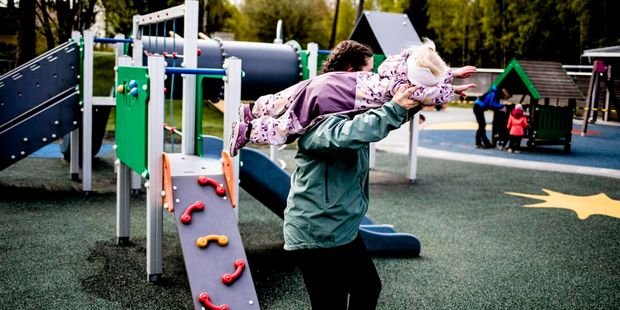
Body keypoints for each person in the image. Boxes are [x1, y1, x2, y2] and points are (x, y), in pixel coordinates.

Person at [286, 84, 421, 309]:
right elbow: (349, 133)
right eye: (368, 73)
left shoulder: (350, 114)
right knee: (333, 301)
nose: (374, 83)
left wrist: (423, 97)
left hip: (338, 227)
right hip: (318, 230)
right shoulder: (320, 121)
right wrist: (394, 108)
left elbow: (378, 120)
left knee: (367, 286)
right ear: (349, 77)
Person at [228, 39, 477, 156]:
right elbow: (433, 94)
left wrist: (449, 73)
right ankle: (246, 131)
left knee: (285, 97)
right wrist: (452, 85)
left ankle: (252, 111)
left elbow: (420, 63)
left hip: (327, 82)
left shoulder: (394, 66)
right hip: (329, 99)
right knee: (288, 128)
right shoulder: (404, 89)